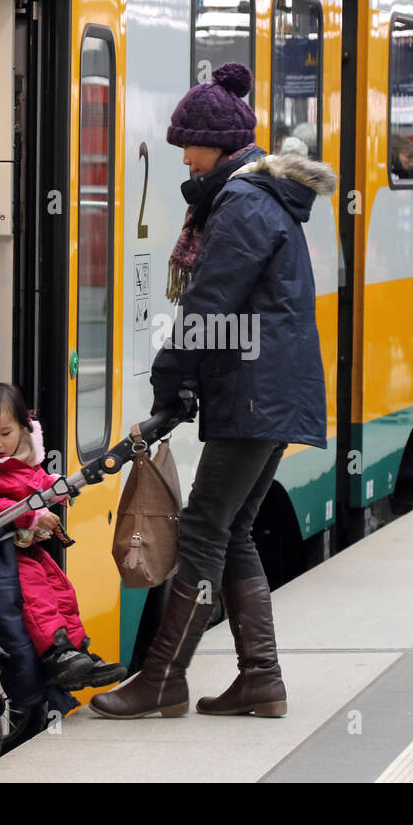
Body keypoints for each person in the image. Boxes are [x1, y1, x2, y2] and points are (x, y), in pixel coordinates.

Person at [91, 63, 331, 720]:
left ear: (220, 147)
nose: (185, 158)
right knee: (235, 527)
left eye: (190, 146)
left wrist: (171, 379)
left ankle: (163, 677)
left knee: (202, 526)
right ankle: (261, 678)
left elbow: (208, 302)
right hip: (266, 388)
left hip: (256, 392)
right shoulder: (253, 196)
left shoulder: (243, 204)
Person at [0, 381, 126, 690]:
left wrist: (56, 486)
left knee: (61, 591)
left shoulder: (17, 461)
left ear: (22, 427)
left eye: (5, 434)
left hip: (23, 545)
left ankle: (76, 650)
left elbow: (34, 482)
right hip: (2, 554)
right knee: (35, 596)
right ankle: (57, 651)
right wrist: (32, 514)